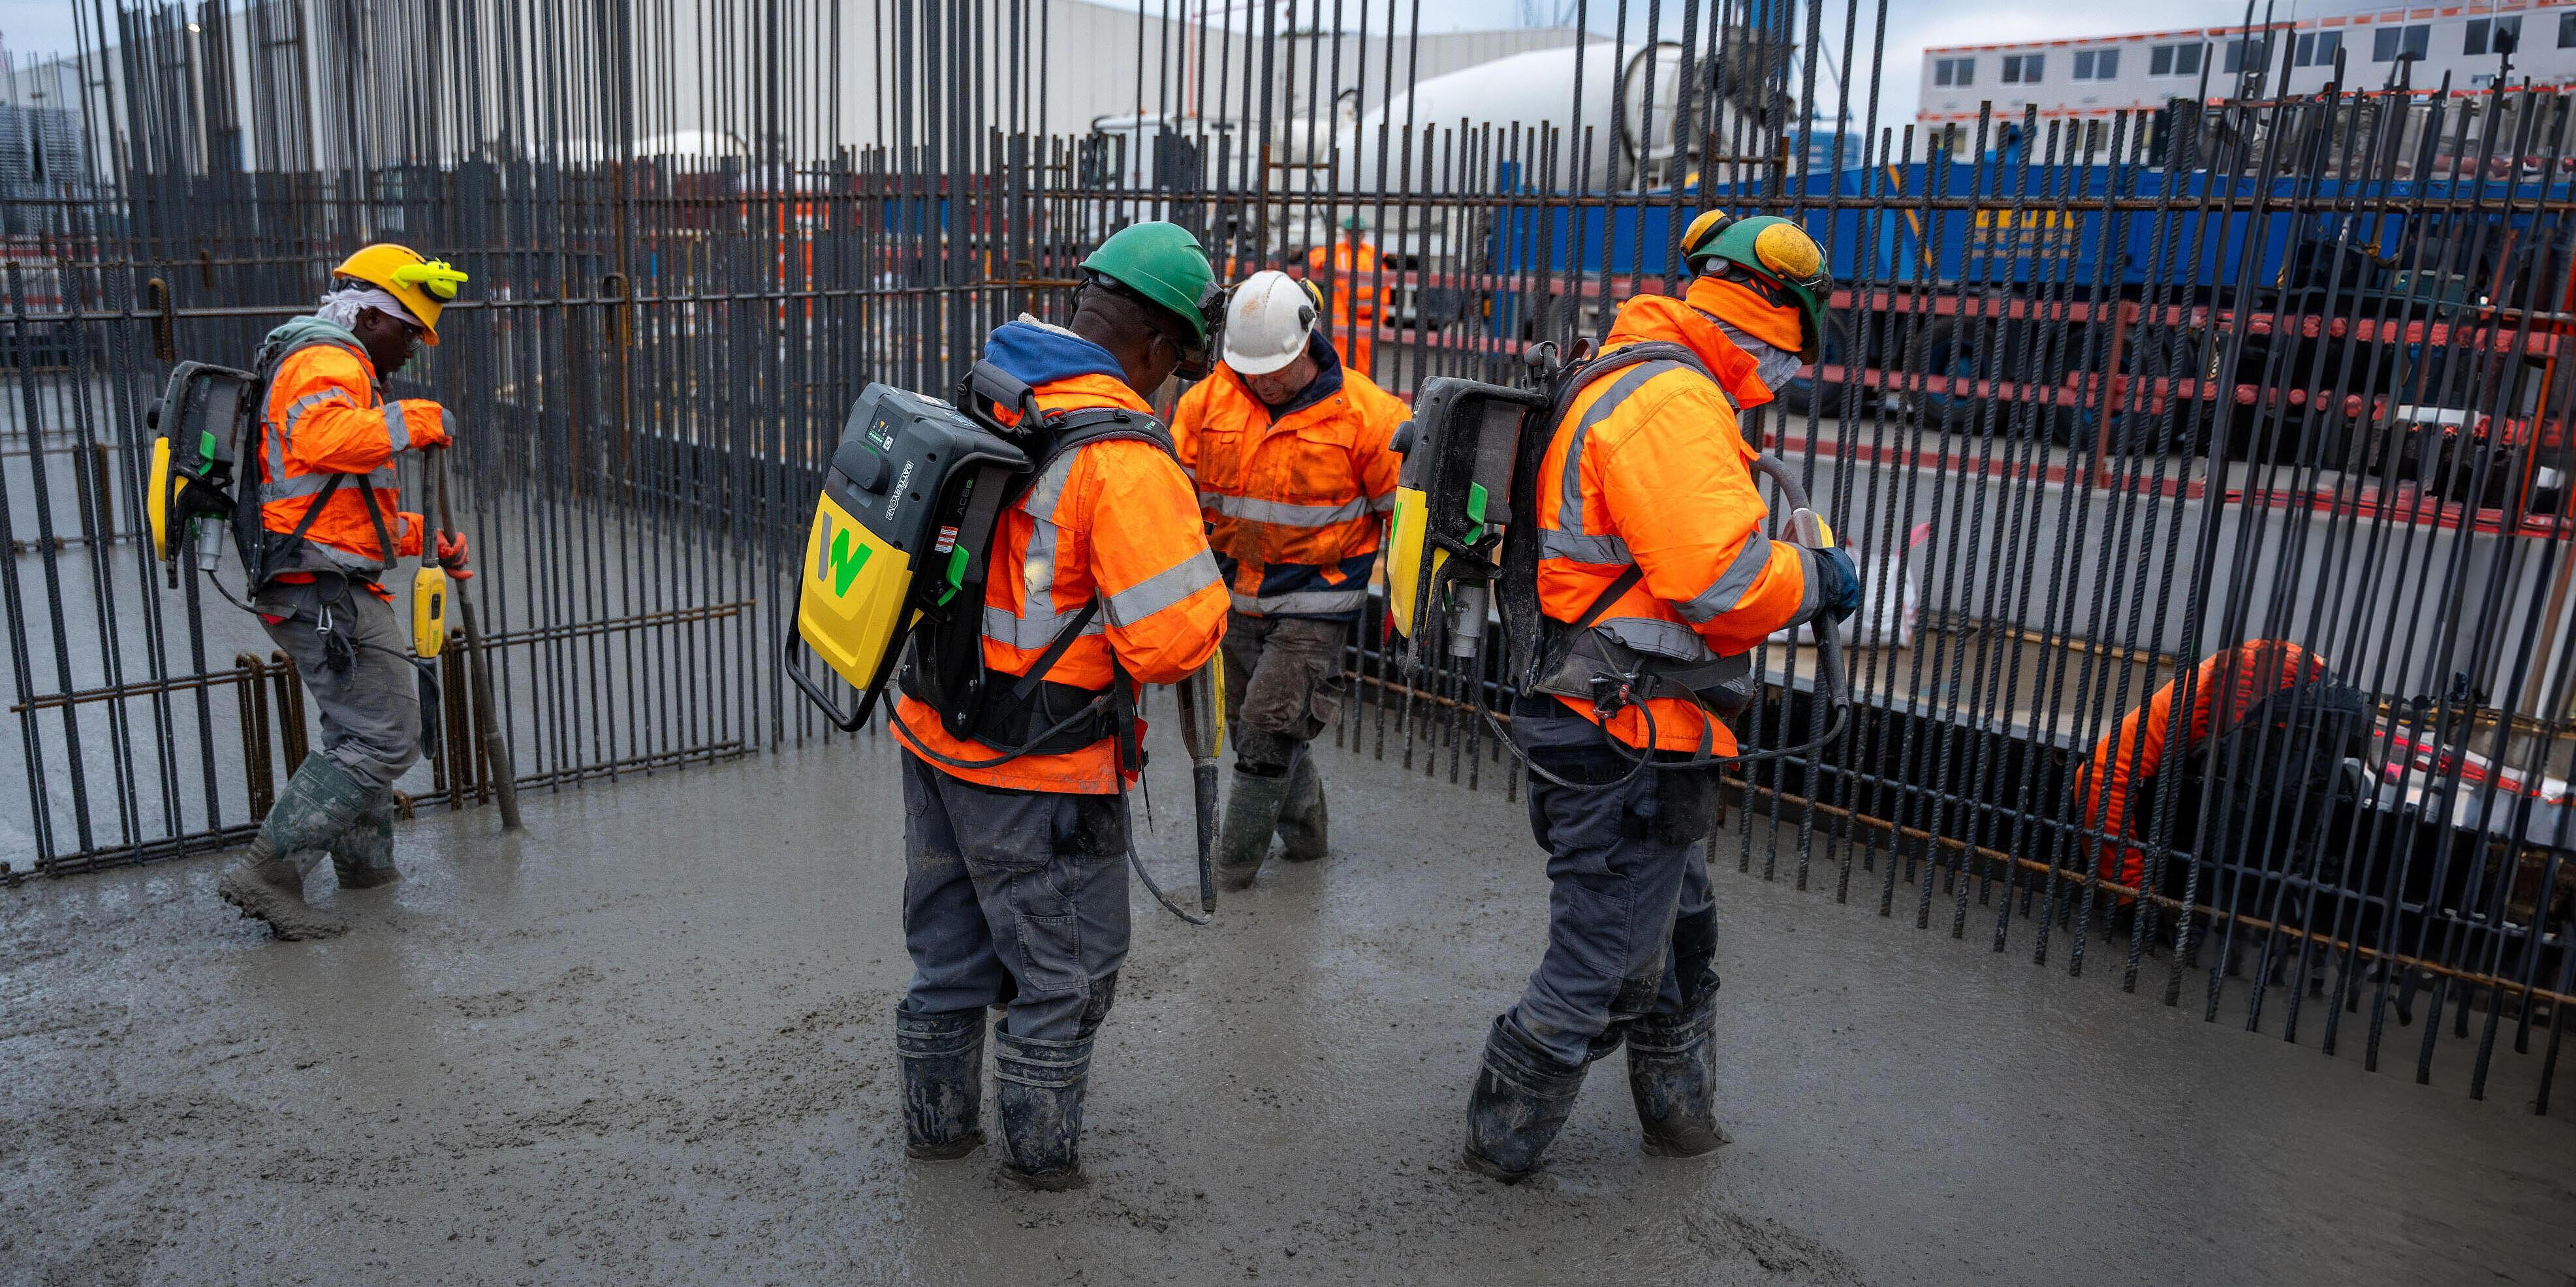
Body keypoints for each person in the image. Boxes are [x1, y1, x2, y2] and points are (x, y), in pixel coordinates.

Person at [1461, 211, 1861, 1183]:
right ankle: (1496, 1152)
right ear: (1779, 317)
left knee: (1680, 931)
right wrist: (1820, 578)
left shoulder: (1631, 372)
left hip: (1626, 718)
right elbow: (1719, 584)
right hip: (1622, 730)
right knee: (1600, 969)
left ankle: (1680, 1123)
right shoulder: (1670, 402)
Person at [888, 221, 1230, 1190]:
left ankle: (937, 1138)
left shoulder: (993, 388)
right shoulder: (1123, 457)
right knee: (1065, 977)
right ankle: (1039, 1172)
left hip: (935, 734)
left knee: (950, 957)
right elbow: (1168, 642)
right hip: (1040, 772)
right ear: (1159, 347)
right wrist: (1206, 582)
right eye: (1177, 364)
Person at [216, 243, 469, 942]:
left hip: (318, 576)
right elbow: (325, 439)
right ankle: (269, 874)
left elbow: (338, 499)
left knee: (360, 730)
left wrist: (425, 539)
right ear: (370, 313)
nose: (414, 350)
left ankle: (366, 874)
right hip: (316, 587)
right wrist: (416, 420)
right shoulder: (327, 359)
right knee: (389, 732)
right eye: (409, 331)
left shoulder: (337, 363)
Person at [1171, 270, 1406, 892]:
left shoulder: (1370, 418)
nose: (1262, 380)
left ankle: (1230, 873)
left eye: (1274, 367)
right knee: (1256, 721)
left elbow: (1403, 516)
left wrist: (1410, 609)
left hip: (1316, 600)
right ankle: (1308, 841)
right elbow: (1174, 495)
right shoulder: (1207, 402)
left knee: (1270, 724)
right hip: (1230, 593)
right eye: (1250, 369)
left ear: (1309, 341)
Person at [1304, 213, 1387, 377]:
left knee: (1364, 365)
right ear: (1345, 234)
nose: (1354, 236)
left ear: (1363, 234)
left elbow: (1383, 289)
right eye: (1350, 233)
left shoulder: (1373, 255)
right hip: (1342, 318)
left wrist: (1381, 317)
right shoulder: (1337, 252)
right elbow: (1315, 256)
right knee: (1342, 362)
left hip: (1366, 319)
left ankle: (1362, 391)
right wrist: (1324, 263)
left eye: (1358, 233)